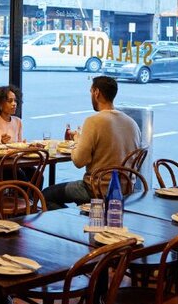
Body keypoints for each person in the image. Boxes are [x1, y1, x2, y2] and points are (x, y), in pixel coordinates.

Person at [42, 76, 141, 210]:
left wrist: (77, 140)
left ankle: (73, 218)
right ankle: (84, 215)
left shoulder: (93, 121)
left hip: (97, 189)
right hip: (126, 190)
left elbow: (79, 161)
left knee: (45, 195)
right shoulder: (132, 123)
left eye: (90, 91)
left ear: (96, 93)